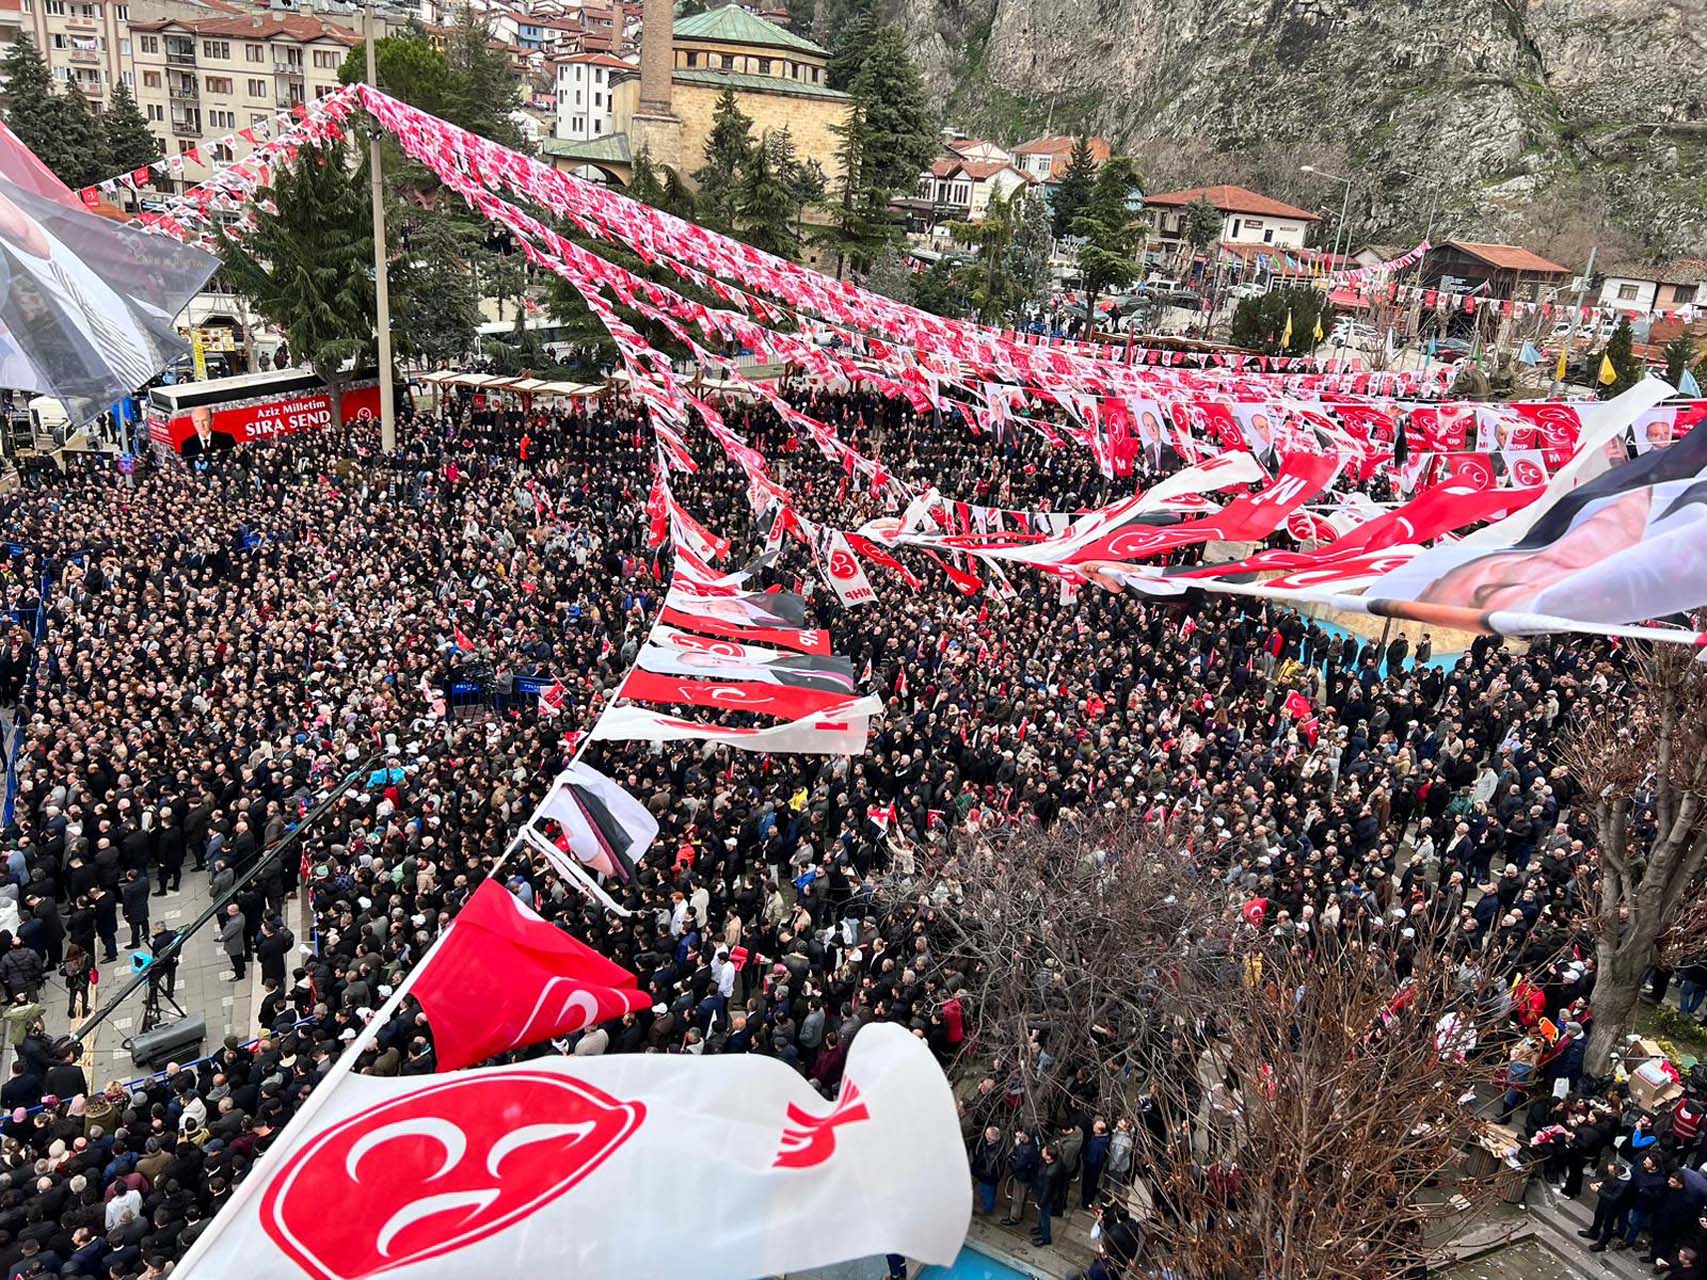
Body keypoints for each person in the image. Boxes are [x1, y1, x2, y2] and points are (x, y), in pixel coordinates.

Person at [970, 1124, 1006, 1217]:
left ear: (990, 1138)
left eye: (986, 1134)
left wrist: (977, 1171)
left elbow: (988, 1170)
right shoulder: (999, 1146)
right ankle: (987, 1206)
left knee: (988, 1193)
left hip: (988, 1178)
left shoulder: (992, 1153)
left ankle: (987, 1210)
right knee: (990, 1192)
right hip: (992, 1177)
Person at [59, 941, 92, 1021]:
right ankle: (84, 1011)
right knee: (84, 994)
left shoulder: (67, 961)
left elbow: (61, 972)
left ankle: (71, 1011)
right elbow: (88, 967)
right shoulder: (86, 956)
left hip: (72, 981)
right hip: (83, 980)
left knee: (72, 995)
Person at [218, 903, 247, 981]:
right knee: (239, 957)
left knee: (236, 959)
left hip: (233, 944)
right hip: (238, 941)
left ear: (234, 912)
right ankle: (242, 968)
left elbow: (228, 934)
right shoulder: (241, 915)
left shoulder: (235, 923)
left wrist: (221, 938)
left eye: (229, 910)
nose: (227, 912)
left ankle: (239, 974)